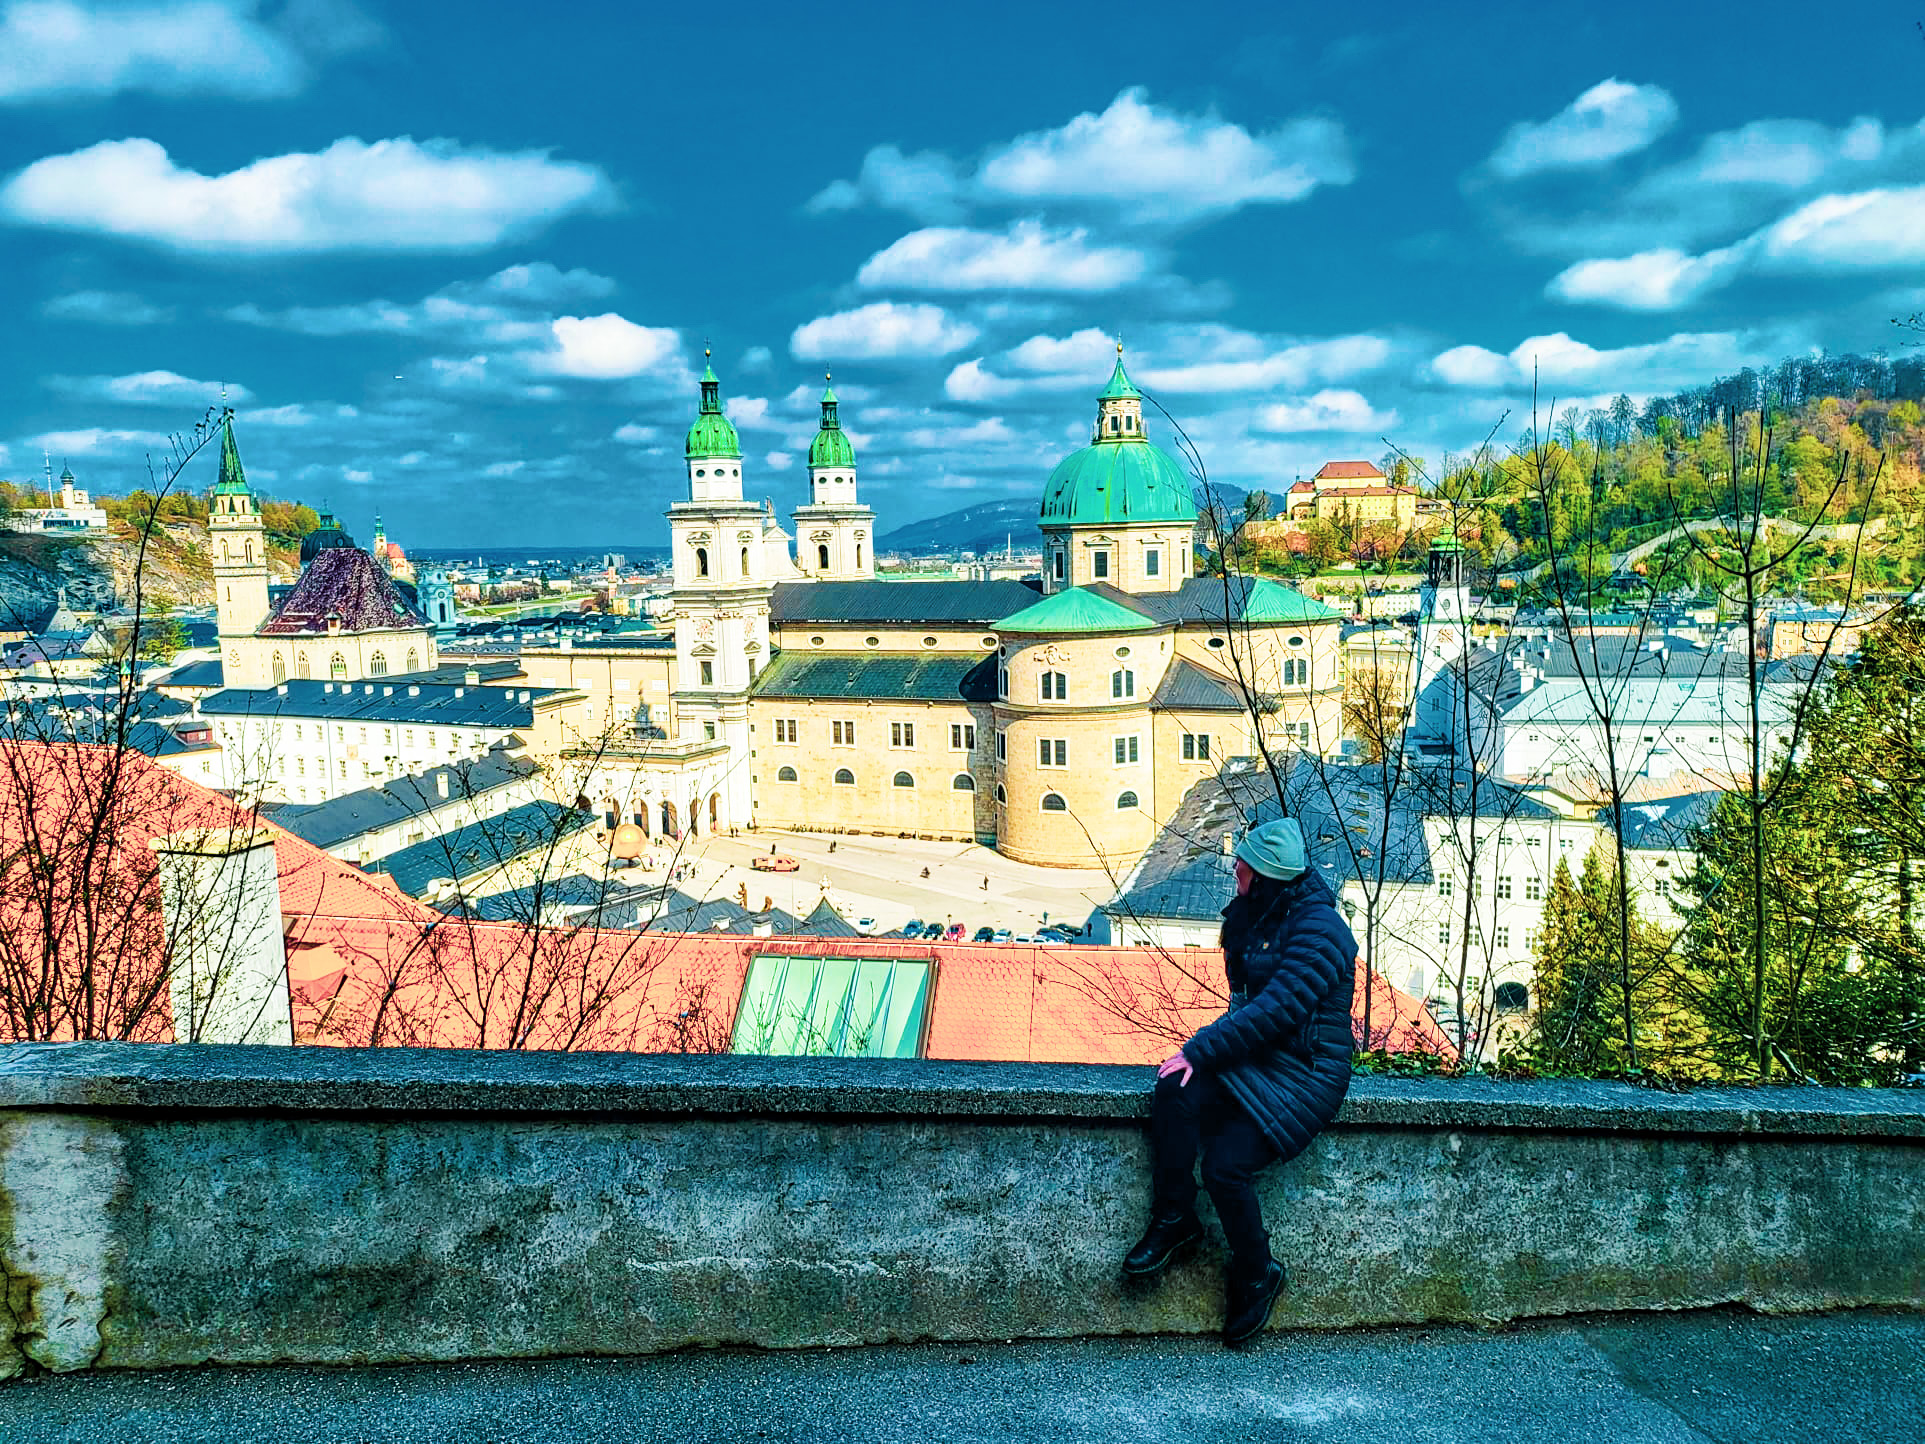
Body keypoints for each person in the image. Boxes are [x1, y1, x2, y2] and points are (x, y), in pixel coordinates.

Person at [1121, 816, 1357, 1347]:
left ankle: (1259, 1273)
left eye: (1244, 868)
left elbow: (1277, 1009)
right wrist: (1200, 1060)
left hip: (1306, 1074)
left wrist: (1201, 1049)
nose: (1235, 871)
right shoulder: (1263, 914)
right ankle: (1176, 1216)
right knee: (1174, 1089)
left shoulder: (1319, 930)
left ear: (1268, 877)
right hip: (1258, 1061)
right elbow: (1245, 1000)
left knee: (1227, 1165)